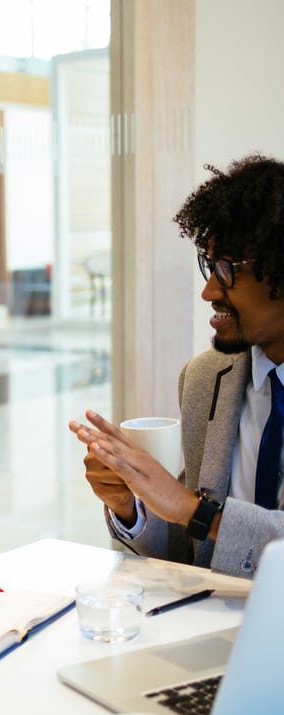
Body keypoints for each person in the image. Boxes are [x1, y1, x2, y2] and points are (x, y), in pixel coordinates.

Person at [69, 154, 284, 578]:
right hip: (216, 633)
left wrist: (193, 509)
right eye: (209, 266)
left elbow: (195, 514)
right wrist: (131, 505)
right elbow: (190, 548)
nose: (208, 291)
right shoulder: (205, 379)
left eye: (226, 269)